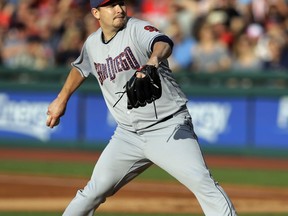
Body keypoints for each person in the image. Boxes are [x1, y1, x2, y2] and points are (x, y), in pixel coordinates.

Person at [46, 0, 237, 215]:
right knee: (92, 192)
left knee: (203, 184)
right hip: (127, 135)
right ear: (96, 13)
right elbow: (80, 69)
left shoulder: (136, 29)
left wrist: (154, 58)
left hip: (167, 128)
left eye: (121, 3)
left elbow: (163, 42)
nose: (119, 9)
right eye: (110, 5)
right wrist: (61, 99)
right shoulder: (92, 44)